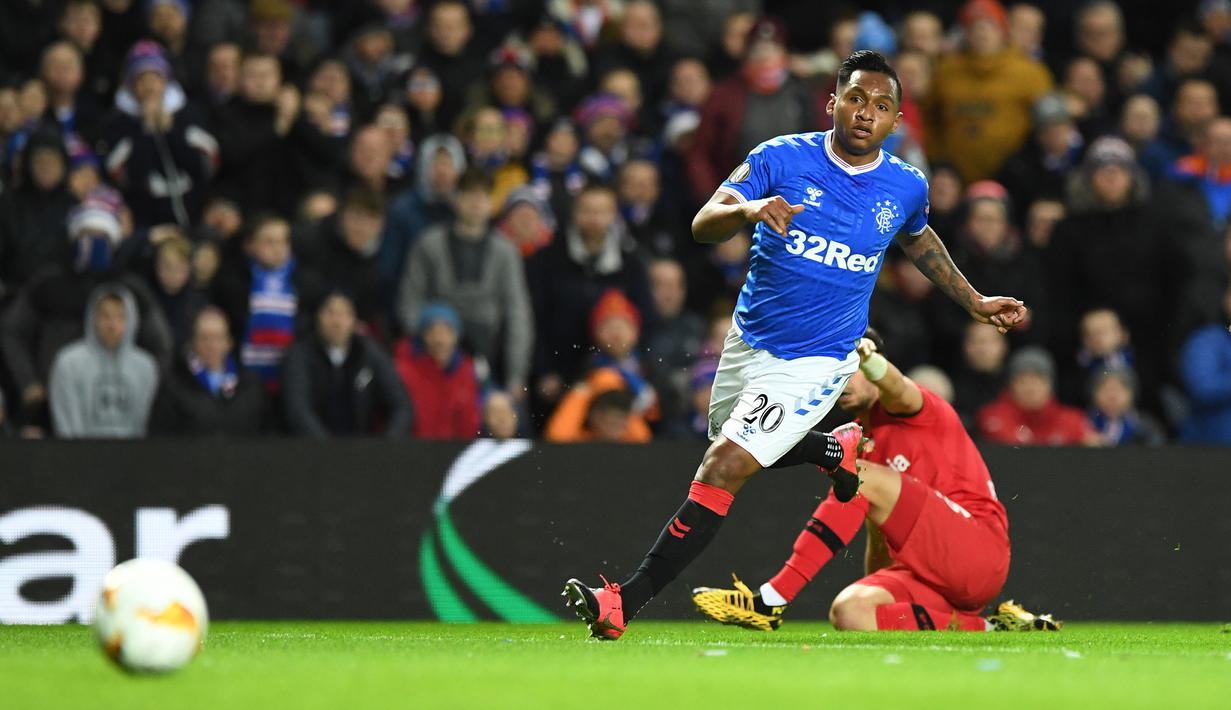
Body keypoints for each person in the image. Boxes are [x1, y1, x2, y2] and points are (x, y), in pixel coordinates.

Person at [562, 51, 1028, 641]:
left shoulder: (906, 185)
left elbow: (919, 240)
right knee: (735, 448)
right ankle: (829, 452)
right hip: (750, 340)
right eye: (857, 99)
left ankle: (624, 601)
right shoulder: (781, 156)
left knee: (724, 465)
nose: (866, 114)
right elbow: (705, 221)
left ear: (896, 120)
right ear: (834, 102)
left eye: (881, 107)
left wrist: (975, 301)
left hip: (819, 359)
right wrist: (750, 208)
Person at [691, 332, 1053, 632]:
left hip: (979, 550)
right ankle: (992, 627)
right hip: (934, 576)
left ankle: (772, 598)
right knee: (851, 612)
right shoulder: (864, 438)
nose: (839, 382)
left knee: (857, 473)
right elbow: (880, 535)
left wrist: (870, 357)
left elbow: (895, 385)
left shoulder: (915, 408)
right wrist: (877, 585)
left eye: (849, 369)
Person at [398, 169, 533, 395]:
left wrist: (516, 376)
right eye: (469, 194)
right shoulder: (428, 244)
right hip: (434, 350)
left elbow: (517, 312)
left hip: (488, 353)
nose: (475, 203)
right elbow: (410, 301)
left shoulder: (506, 251)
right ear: (456, 199)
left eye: (483, 196)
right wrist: (427, 345)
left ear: (492, 204)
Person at [925, 0, 1053, 183]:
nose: (982, 33)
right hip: (955, 178)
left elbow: (1046, 123)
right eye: (974, 27)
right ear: (964, 33)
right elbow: (929, 117)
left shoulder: (1030, 73)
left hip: (1015, 177)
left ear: (1003, 31)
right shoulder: (945, 71)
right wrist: (937, 157)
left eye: (990, 26)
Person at [282, 291, 412, 437]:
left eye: (344, 314)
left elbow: (402, 406)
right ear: (318, 317)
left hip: (361, 452)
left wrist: (386, 447)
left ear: (354, 320)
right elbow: (298, 410)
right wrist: (326, 450)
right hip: (312, 452)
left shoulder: (369, 352)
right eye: (330, 313)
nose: (336, 322)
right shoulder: (300, 354)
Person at [48, 283, 159, 438]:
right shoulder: (68, 363)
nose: (112, 325)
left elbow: (143, 424)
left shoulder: (146, 367)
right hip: (79, 457)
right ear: (93, 318)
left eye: (120, 316)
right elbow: (66, 425)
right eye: (105, 316)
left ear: (132, 320)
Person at [149, 306, 267, 436]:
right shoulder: (175, 384)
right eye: (205, 338)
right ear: (193, 343)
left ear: (229, 342)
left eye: (218, 338)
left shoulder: (250, 385)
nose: (212, 345)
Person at [393, 301, 480, 440]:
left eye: (447, 332)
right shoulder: (404, 371)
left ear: (456, 337)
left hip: (455, 453)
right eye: (432, 332)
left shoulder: (467, 371)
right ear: (423, 336)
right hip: (415, 450)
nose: (439, 340)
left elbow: (471, 422)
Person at [977, 347, 1098, 446]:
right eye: (1022, 381)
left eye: (1038, 381)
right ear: (1011, 386)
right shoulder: (993, 416)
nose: (1030, 388)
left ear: (1050, 386)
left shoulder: (1072, 420)